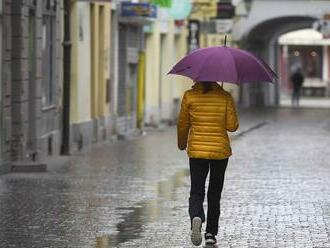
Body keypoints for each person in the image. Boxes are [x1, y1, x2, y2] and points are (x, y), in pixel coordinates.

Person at [177, 81, 239, 246]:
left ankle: (196, 215)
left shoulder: (189, 96)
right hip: (220, 151)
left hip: (197, 150)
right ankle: (211, 233)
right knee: (214, 192)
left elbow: (183, 124)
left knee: (196, 190)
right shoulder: (225, 96)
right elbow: (232, 126)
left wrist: (182, 144)